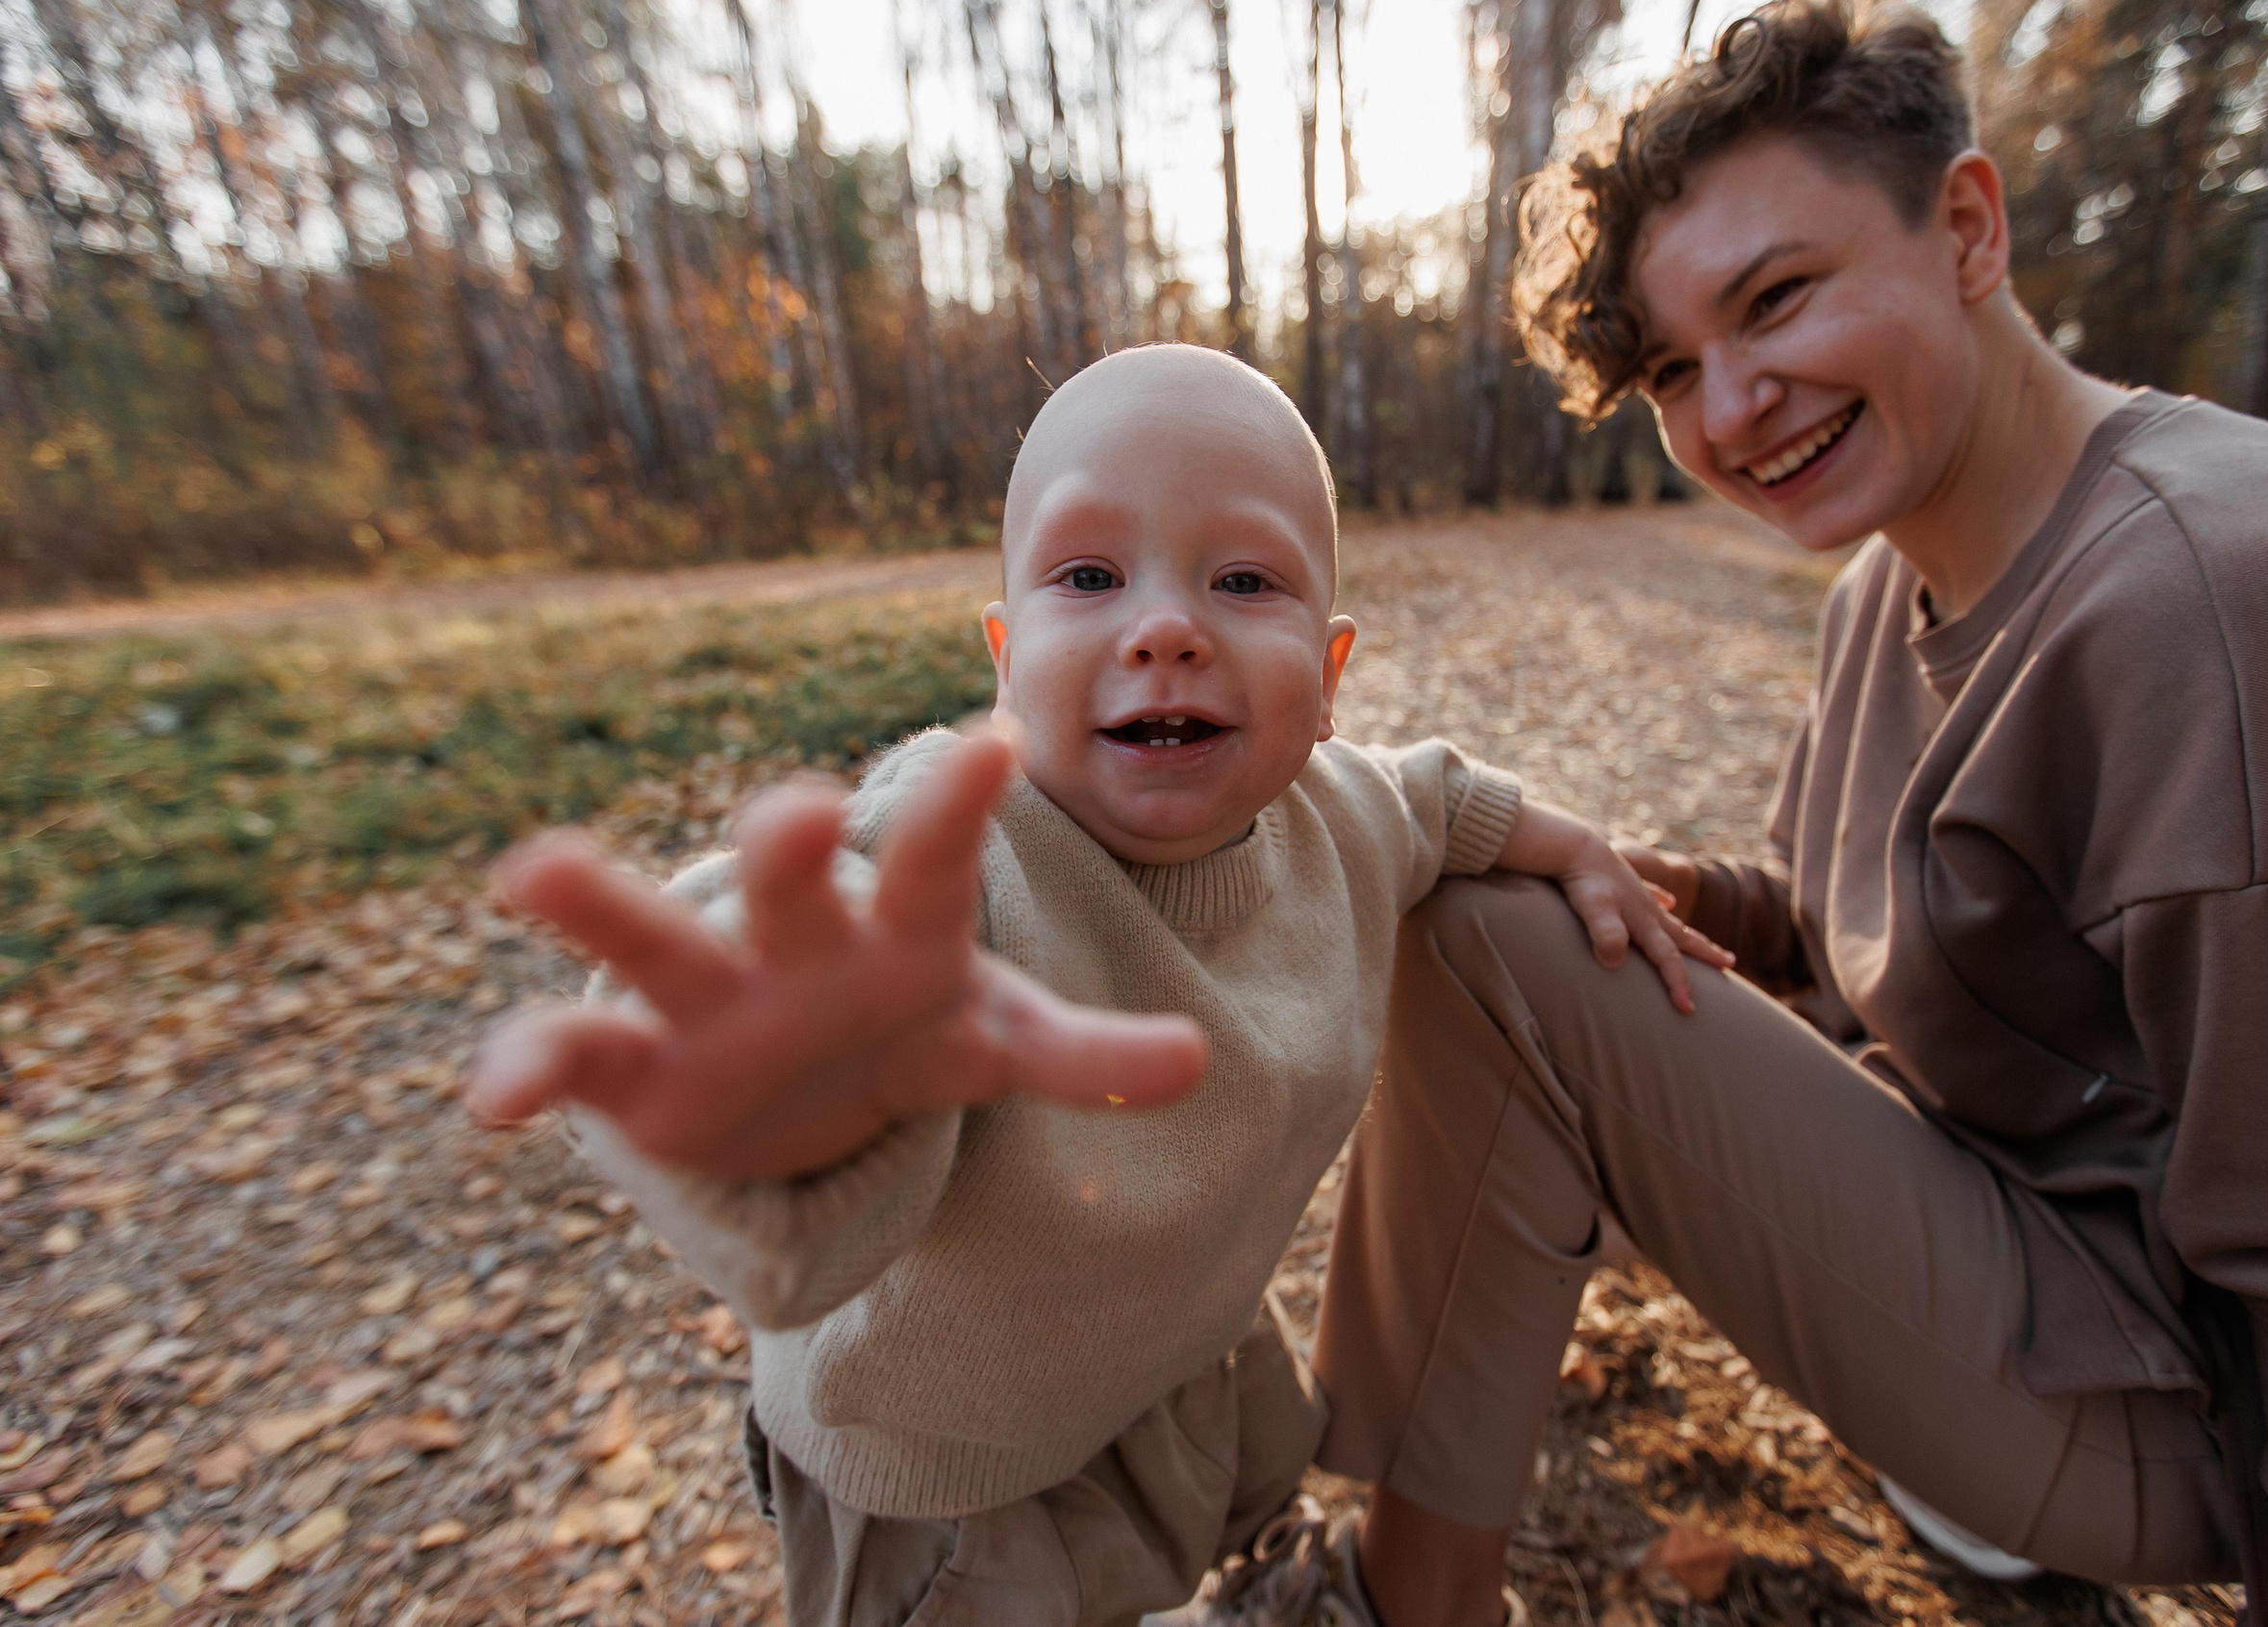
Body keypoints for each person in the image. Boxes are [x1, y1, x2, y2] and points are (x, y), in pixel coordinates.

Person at [1286, 0, 2268, 1627]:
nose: (1730, 411)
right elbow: (1865, 919)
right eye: (1677, 370)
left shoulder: (2237, 605)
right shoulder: (1895, 567)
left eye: (1778, 300)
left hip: (2192, 1392)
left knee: (1495, 949)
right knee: (1513, 914)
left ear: (1967, 227)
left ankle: (1396, 1608)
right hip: (2032, 1245)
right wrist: (1675, 890)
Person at [463, 343, 1730, 1627]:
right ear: (1006, 663)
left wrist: (1573, 848)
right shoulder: (958, 854)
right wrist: (775, 1060)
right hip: (944, 1481)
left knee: (1160, 1564)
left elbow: (1440, 796)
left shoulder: (1337, 814)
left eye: (1243, 579)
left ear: (1330, 680)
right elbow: (809, 926)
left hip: (1153, 1357)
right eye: (1089, 576)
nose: (1167, 627)